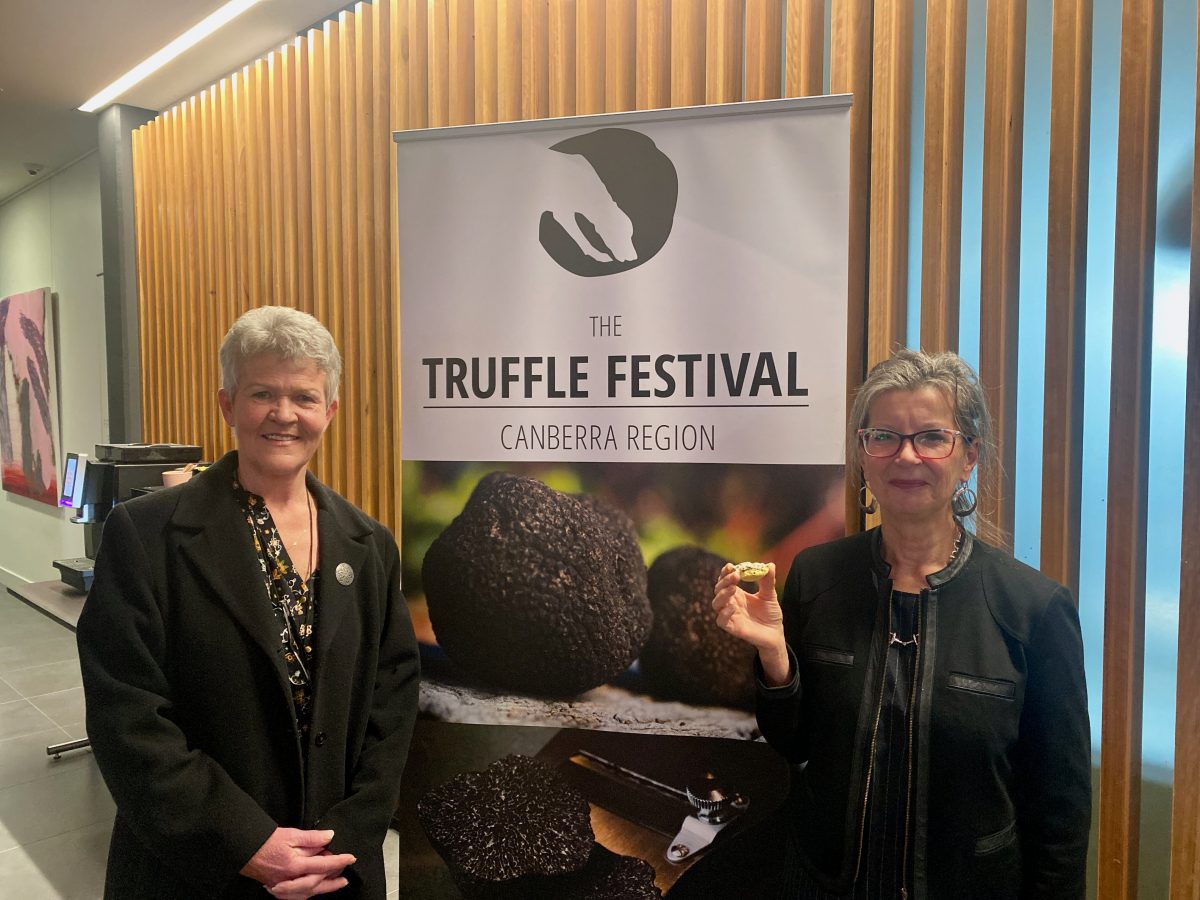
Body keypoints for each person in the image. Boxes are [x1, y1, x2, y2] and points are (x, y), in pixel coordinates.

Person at [708, 349, 1090, 899]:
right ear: (864, 454)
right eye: (884, 436)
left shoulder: (1034, 608)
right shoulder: (817, 576)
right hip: (822, 884)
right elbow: (794, 745)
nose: (906, 456)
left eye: (932, 437)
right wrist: (775, 659)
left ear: (969, 455)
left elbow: (1061, 815)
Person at [77, 306, 420, 899]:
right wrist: (245, 842)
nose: (284, 415)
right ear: (227, 404)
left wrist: (345, 839)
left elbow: (392, 700)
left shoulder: (369, 545)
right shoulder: (146, 534)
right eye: (263, 393)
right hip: (198, 868)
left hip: (332, 870)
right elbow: (126, 714)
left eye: (305, 398)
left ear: (330, 412)